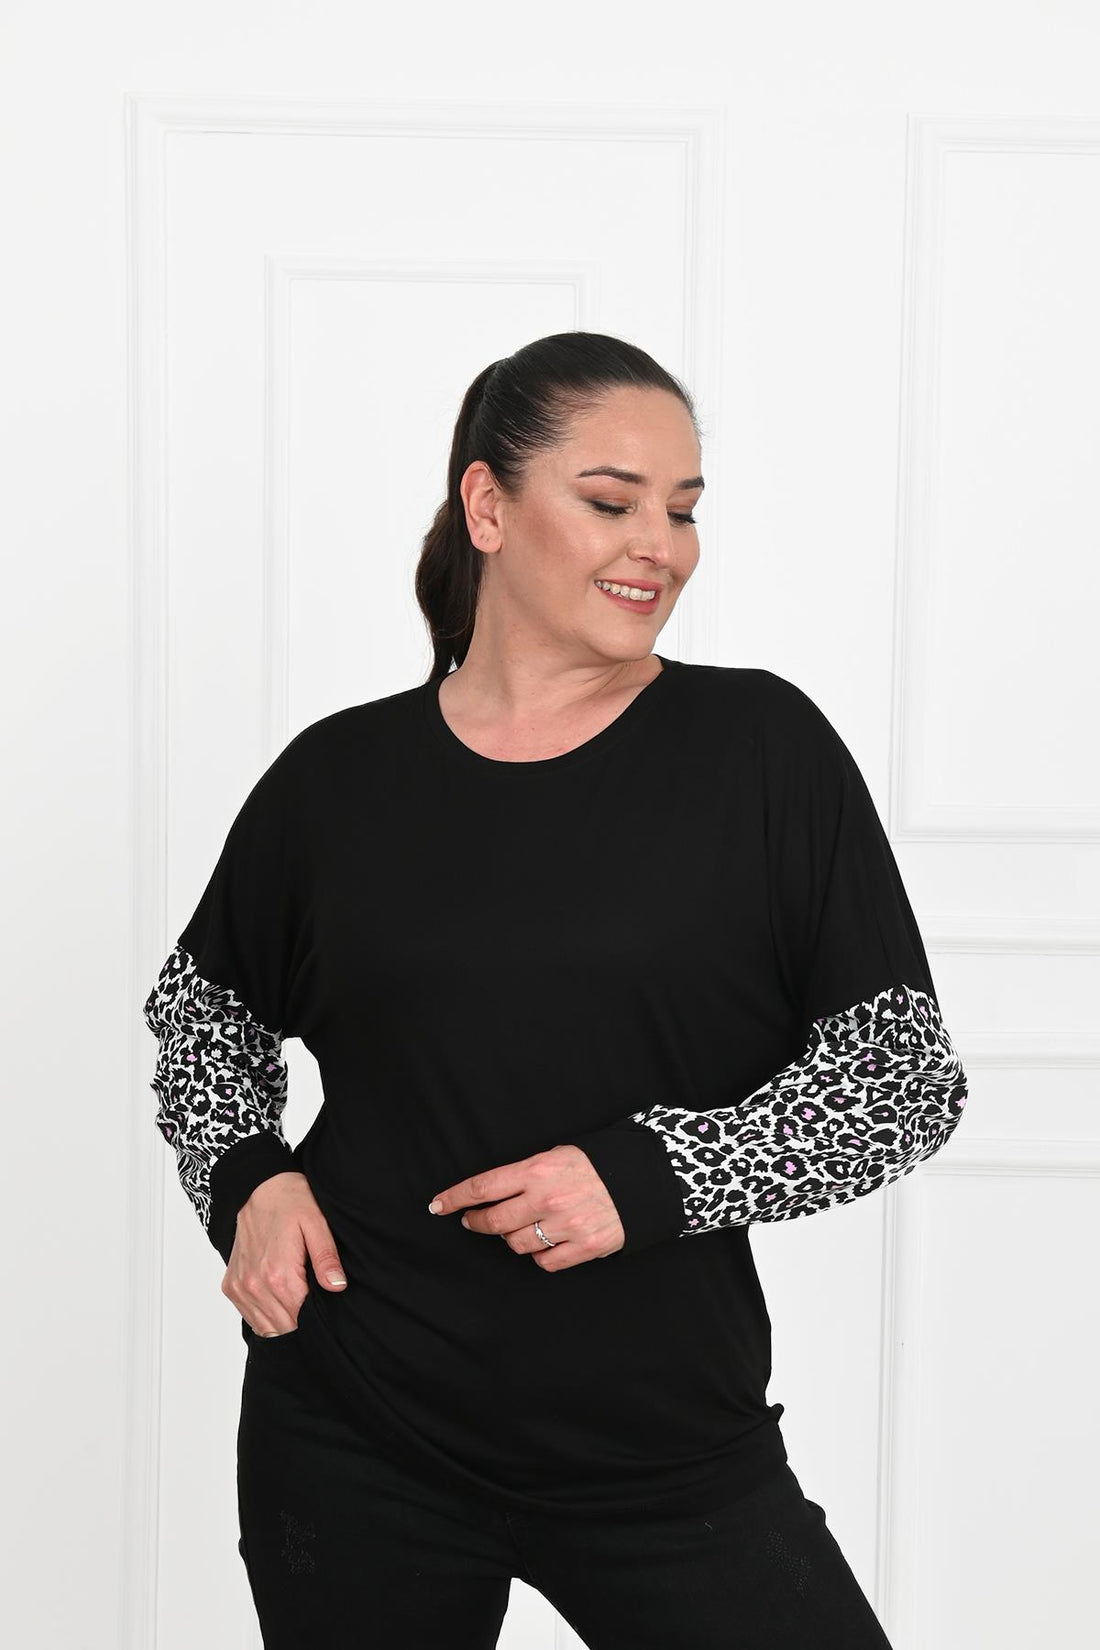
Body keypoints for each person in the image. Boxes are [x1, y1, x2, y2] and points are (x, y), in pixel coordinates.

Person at [143, 330, 968, 1649]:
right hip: (354, 1434)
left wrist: (651, 1176)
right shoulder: (337, 781)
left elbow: (903, 1084)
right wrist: (248, 1177)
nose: (662, 547)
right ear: (487, 505)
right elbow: (202, 1018)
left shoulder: (762, 752)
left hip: (667, 1455)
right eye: (611, 502)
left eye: (683, 510)